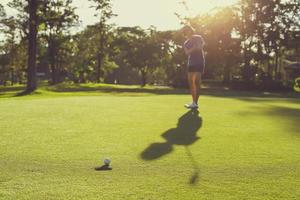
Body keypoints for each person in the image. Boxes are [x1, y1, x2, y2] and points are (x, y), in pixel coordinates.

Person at [181, 25, 205, 109]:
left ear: (191, 30)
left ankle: (195, 103)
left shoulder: (198, 37)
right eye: (186, 30)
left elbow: (201, 46)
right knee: (191, 83)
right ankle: (193, 102)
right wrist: (194, 48)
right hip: (191, 63)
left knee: (197, 81)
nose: (187, 31)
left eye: (188, 29)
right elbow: (187, 53)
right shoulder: (186, 43)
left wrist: (196, 47)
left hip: (199, 62)